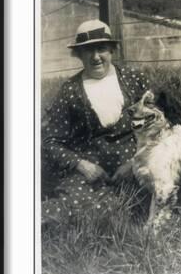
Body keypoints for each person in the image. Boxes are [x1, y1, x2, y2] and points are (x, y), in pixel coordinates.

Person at [41, 19, 150, 223]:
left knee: (137, 201)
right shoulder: (70, 90)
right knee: (73, 206)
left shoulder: (133, 78)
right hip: (91, 171)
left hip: (135, 164)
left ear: (111, 50)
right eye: (87, 51)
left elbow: (158, 124)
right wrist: (82, 165)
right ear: (78, 55)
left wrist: (135, 163)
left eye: (101, 49)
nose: (95, 57)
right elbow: (51, 142)